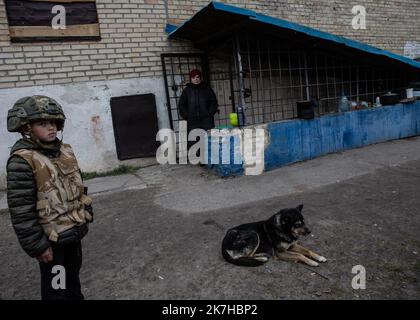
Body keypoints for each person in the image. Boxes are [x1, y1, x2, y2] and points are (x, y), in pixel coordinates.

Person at [6, 95, 93, 300]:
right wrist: (38, 245)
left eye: (53, 122)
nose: (51, 127)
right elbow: (21, 210)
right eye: (42, 123)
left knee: (73, 280)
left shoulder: (65, 151)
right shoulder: (22, 161)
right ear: (26, 128)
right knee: (56, 289)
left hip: (73, 232)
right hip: (52, 242)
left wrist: (86, 211)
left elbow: (78, 186)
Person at [178, 69, 219, 134]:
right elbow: (182, 105)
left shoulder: (207, 89)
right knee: (195, 142)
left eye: (197, 77)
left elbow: (214, 102)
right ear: (191, 79)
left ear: (200, 78)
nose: (196, 79)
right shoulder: (187, 91)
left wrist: (209, 113)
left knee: (208, 141)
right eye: (193, 77)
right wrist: (187, 115)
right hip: (192, 123)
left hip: (207, 122)